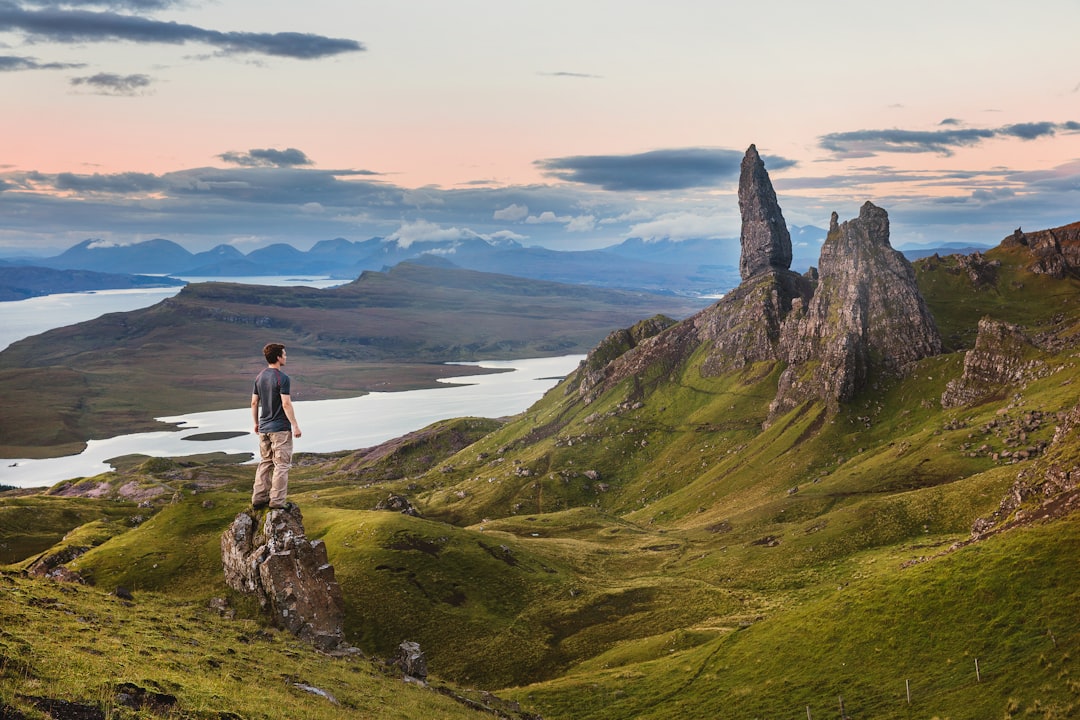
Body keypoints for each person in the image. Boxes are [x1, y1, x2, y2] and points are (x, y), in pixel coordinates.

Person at [251, 342, 302, 510]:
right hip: (280, 428)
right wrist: (295, 425)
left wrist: (256, 423)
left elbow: (254, 402)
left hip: (264, 428)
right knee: (281, 465)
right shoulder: (282, 378)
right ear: (278, 357)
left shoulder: (259, 377)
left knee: (265, 461)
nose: (286, 357)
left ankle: (259, 497)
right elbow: (286, 404)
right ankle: (277, 502)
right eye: (284, 354)